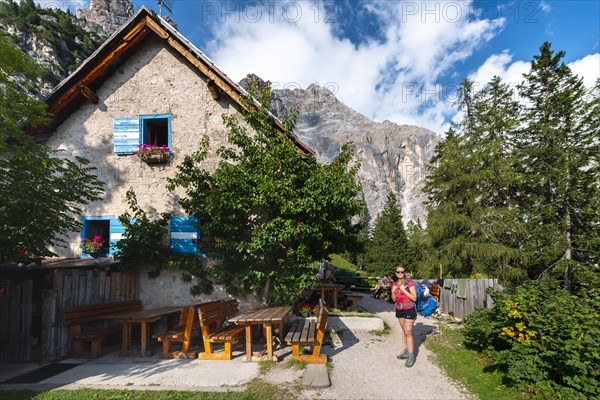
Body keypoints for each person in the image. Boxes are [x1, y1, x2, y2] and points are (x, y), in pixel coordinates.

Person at [391, 265, 417, 367]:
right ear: (396, 273)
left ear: (404, 273)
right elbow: (394, 299)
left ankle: (411, 355)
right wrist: (393, 292)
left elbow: (414, 298)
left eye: (402, 272)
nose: (400, 273)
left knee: (408, 332)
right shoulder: (394, 284)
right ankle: (407, 351)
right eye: (398, 272)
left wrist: (403, 289)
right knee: (404, 332)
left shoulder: (409, 283)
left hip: (409, 309)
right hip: (399, 309)